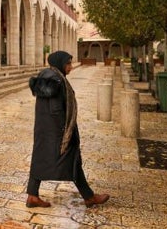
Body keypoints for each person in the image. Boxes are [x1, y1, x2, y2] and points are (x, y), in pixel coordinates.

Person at [26, 50, 110, 208]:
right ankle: (89, 197)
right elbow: (56, 110)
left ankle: (32, 195)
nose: (71, 67)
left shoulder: (48, 76)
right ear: (60, 63)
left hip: (45, 130)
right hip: (56, 131)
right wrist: (66, 132)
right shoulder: (56, 80)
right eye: (68, 63)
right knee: (72, 160)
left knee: (40, 159)